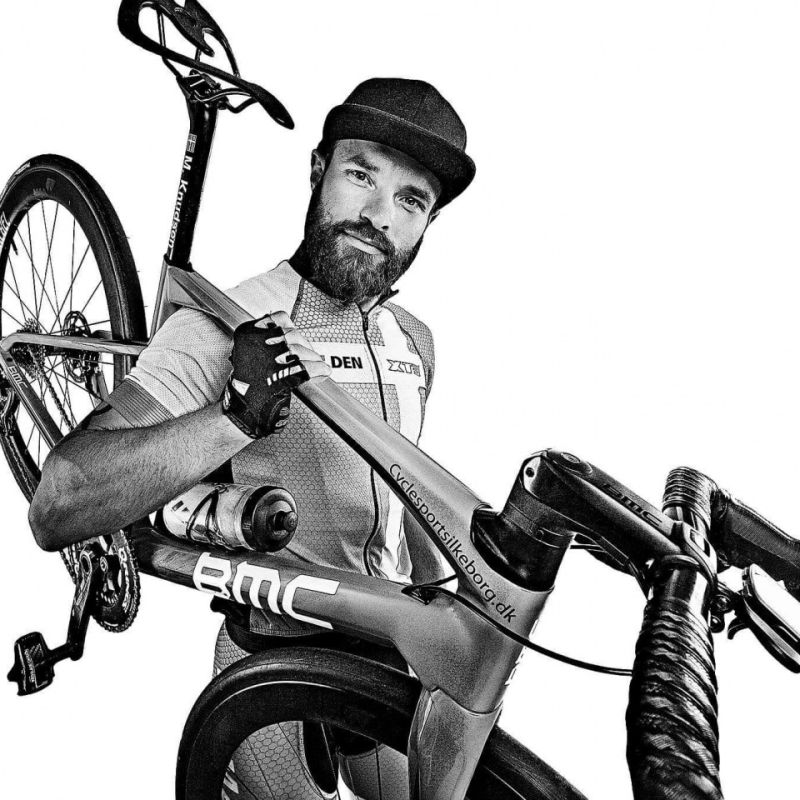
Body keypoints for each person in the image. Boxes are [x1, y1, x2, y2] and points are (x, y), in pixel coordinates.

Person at [28, 77, 475, 799]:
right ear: (318, 170)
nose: (378, 216)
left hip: (381, 651)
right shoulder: (225, 325)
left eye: (410, 200)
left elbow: (406, 497)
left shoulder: (414, 341)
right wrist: (233, 417)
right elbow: (58, 503)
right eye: (361, 175)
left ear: (429, 222)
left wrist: (458, 604)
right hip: (271, 656)